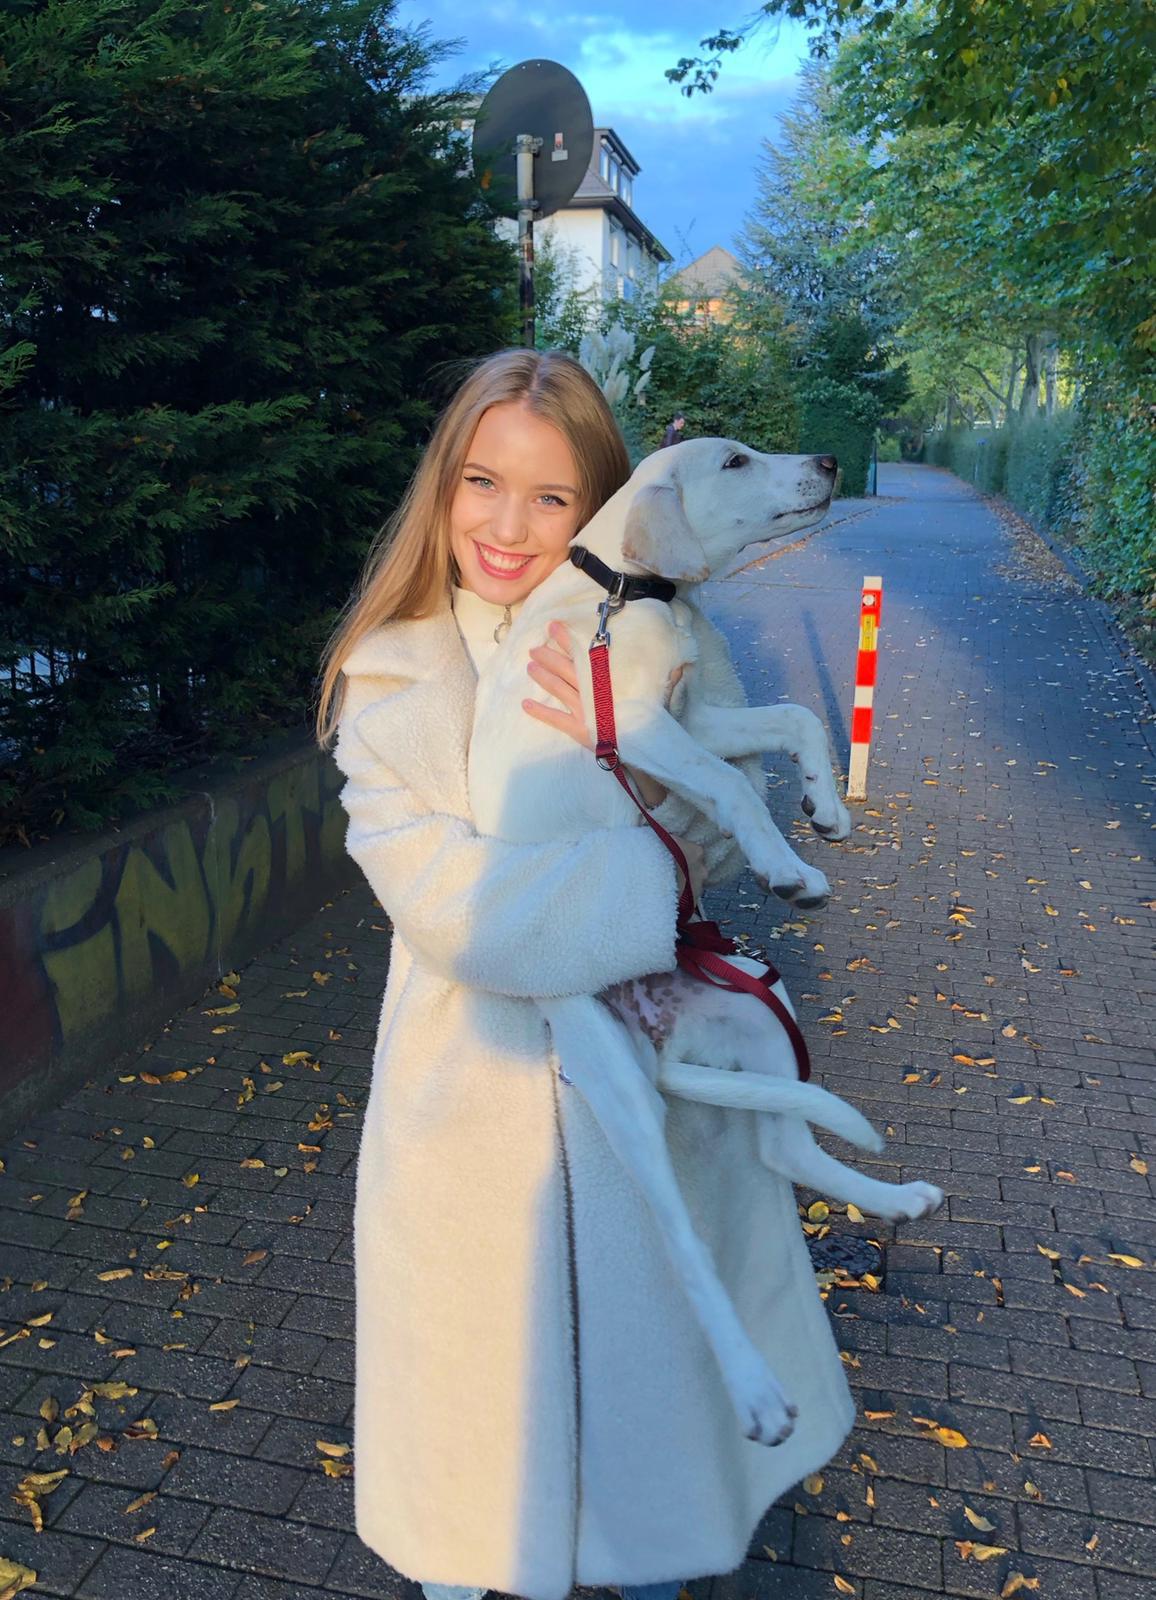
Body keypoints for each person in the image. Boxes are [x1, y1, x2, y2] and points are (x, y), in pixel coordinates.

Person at [314, 349, 855, 1600]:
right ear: (441, 485)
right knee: (480, 1511)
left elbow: (721, 838)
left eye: (551, 495)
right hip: (470, 1149)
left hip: (644, 1122)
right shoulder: (386, 679)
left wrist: (639, 768)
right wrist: (640, 854)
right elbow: (461, 917)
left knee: (652, 1498)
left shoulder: (660, 630)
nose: (508, 526)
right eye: (481, 481)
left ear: (600, 505)